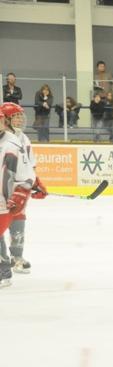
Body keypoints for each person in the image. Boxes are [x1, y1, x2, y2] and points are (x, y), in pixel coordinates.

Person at [0, 102, 46, 278]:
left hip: (18, 188)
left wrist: (35, 182)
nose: (20, 120)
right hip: (4, 187)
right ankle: (3, 261)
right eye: (16, 116)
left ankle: (16, 257)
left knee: (18, 217)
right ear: (6, 119)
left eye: (21, 116)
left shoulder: (23, 138)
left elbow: (29, 165)